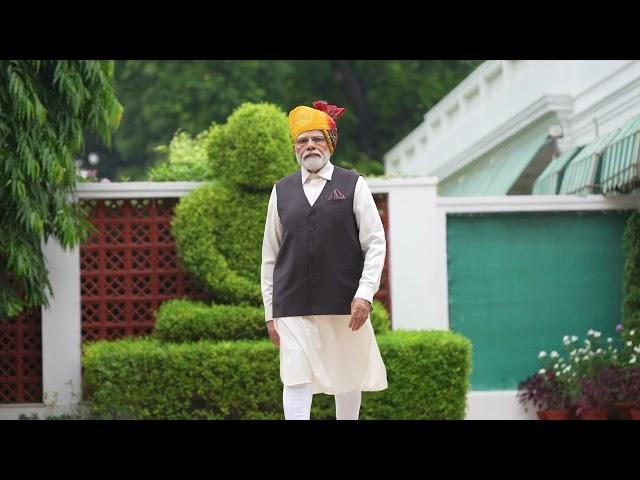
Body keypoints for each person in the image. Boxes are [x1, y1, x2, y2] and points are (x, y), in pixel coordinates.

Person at [260, 100, 388, 420]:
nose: (310, 146)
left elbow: (375, 242)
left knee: (346, 374)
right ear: (295, 149)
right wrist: (270, 312)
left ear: (330, 143)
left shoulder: (353, 184)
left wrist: (364, 294)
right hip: (291, 302)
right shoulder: (281, 191)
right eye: (302, 140)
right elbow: (270, 255)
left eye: (317, 138)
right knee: (295, 376)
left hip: (344, 300)